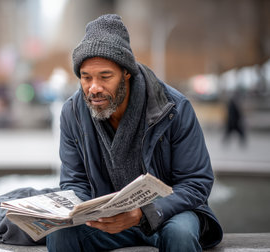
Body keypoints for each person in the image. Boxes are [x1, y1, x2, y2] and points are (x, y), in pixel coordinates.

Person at [46, 14, 223, 252]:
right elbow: (74, 182)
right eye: (86, 78)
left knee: (180, 234)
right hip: (106, 220)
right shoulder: (72, 112)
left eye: (105, 77)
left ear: (126, 73)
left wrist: (145, 213)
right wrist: (76, 210)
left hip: (167, 213)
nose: (94, 88)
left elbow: (196, 183)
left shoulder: (174, 108)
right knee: (60, 234)